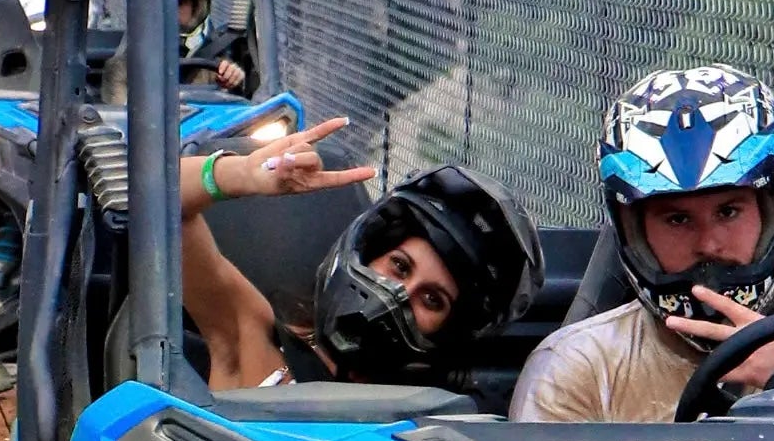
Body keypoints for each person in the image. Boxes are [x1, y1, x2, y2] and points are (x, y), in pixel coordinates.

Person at [510, 64, 774, 422]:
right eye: (676, 219)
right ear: (633, 231)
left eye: (729, 212)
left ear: (773, 209)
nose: (708, 243)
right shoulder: (576, 367)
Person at [177, 120, 539, 389]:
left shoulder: (431, 424)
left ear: (449, 331)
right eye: (399, 266)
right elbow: (158, 199)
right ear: (369, 253)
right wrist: (239, 173)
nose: (398, 294)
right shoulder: (254, 338)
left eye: (432, 299)